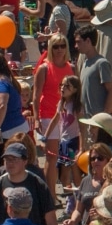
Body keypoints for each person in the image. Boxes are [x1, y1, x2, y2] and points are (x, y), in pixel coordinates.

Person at [30, 35, 74, 189]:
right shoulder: (44, 68)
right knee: (52, 156)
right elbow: (35, 96)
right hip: (48, 114)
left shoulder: (71, 68)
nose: (59, 49)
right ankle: (51, 195)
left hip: (67, 117)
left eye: (62, 46)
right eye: (55, 46)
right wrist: (36, 119)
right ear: (50, 48)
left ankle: (65, 190)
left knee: (67, 156)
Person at [74, 26, 112, 144]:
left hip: (99, 122)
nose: (76, 46)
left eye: (79, 42)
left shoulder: (101, 63)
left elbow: (111, 90)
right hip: (88, 120)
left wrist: (103, 117)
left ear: (88, 41)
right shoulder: (85, 62)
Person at [0, 51, 31, 161]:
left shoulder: (0, 84)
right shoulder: (8, 81)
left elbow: (1, 105)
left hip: (6, 134)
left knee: (8, 168)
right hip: (17, 128)